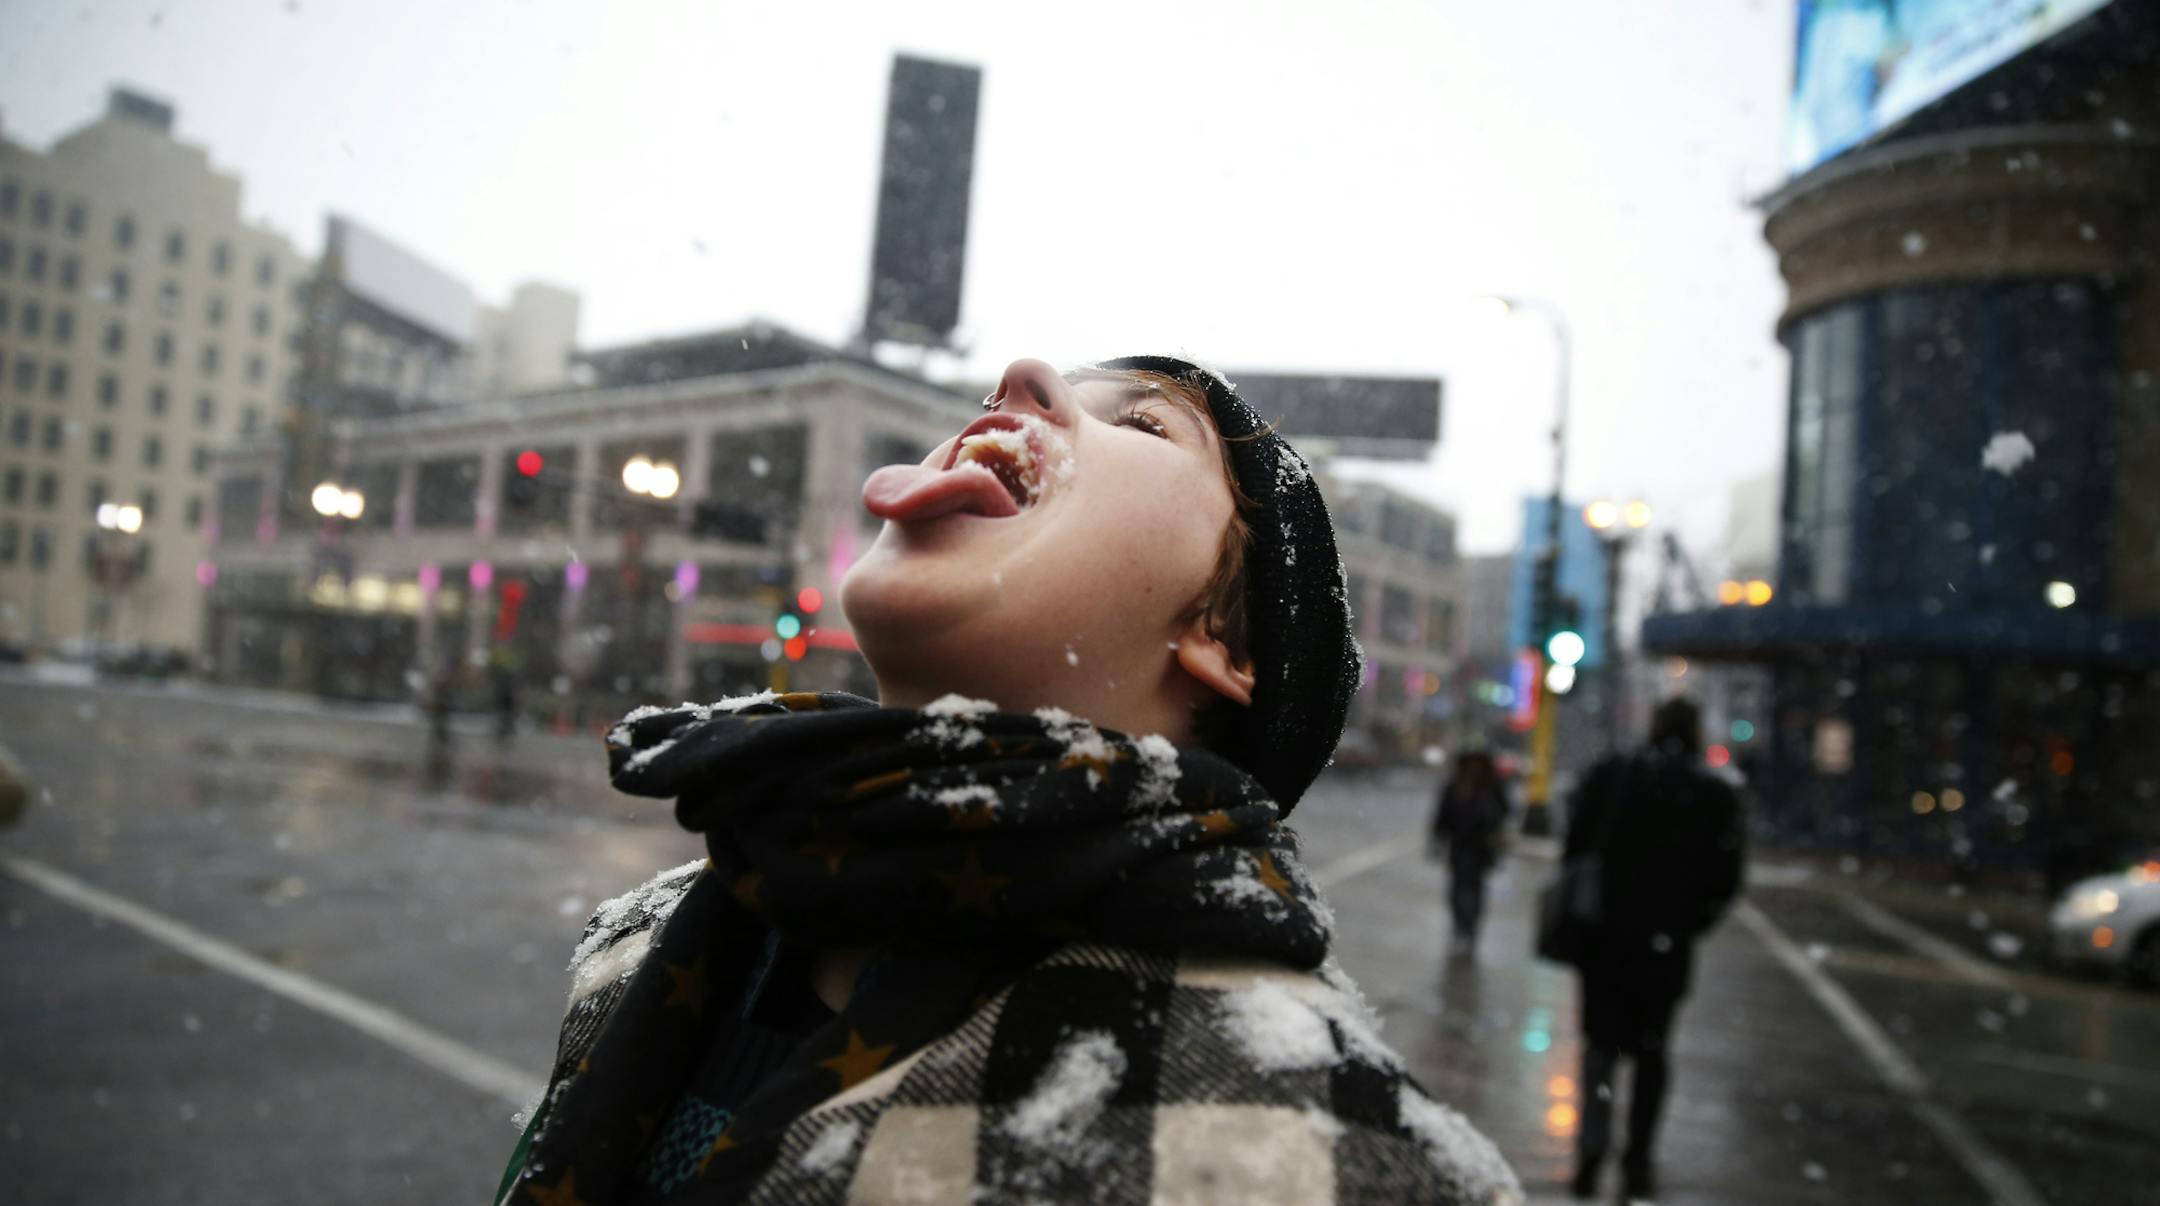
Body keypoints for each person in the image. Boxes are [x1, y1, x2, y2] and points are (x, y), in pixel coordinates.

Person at [493, 357, 1521, 1205]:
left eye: (1148, 427)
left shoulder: (1329, 1153)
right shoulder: (642, 943)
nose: (1016, 382)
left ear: (1220, 637)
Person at [1562, 697, 1745, 1202]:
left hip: (1604, 939)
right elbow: (1726, 878)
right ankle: (1637, 1159)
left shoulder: (1615, 776)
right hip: (1664, 948)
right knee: (1651, 1053)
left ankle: (1590, 1153)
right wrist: (1688, 921)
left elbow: (1575, 846)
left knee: (1599, 1049)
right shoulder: (1712, 793)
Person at [1428, 751, 1508, 954]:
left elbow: (1503, 813)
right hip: (1459, 847)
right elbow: (1442, 815)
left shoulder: (1491, 787)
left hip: (1481, 849)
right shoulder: (1455, 786)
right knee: (1457, 891)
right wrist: (1437, 839)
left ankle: (1470, 929)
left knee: (1475, 890)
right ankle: (1460, 926)